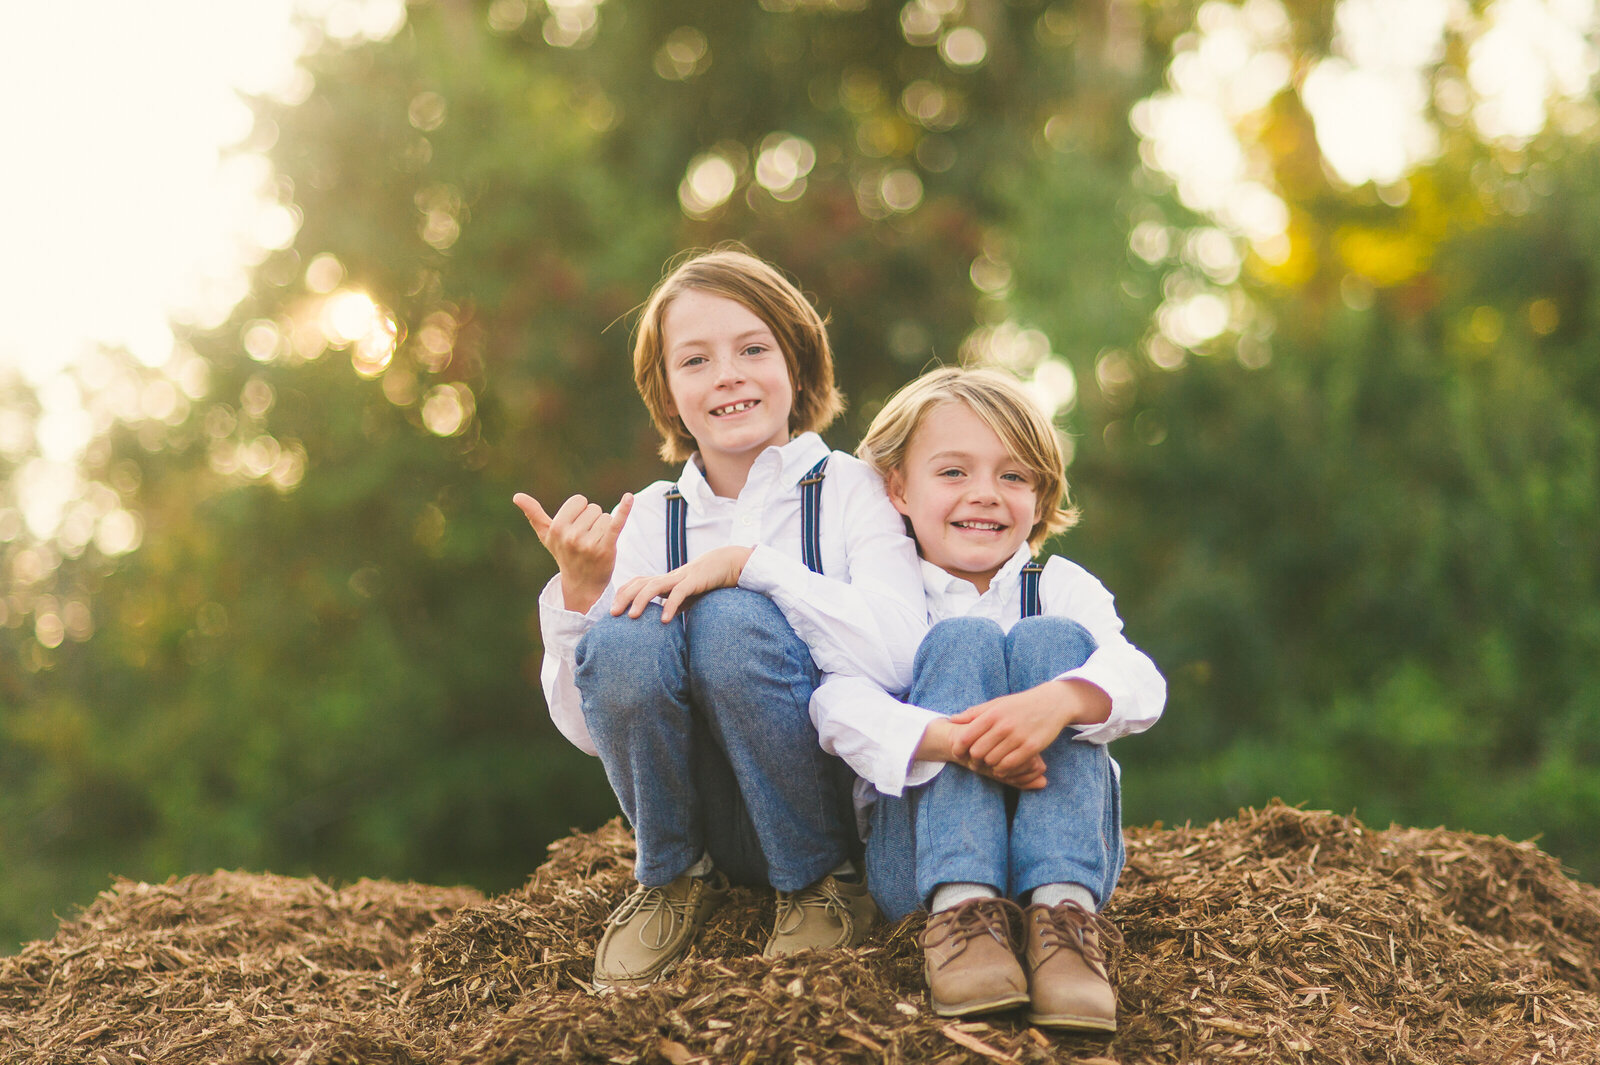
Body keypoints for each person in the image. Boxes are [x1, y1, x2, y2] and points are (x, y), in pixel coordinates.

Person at [514, 247, 925, 989]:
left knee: (733, 622)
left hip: (829, 805)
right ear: (668, 393)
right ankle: (671, 877)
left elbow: (902, 655)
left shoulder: (850, 490)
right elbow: (592, 727)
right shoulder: (650, 519)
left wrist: (752, 566)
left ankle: (819, 883)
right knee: (624, 633)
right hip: (706, 823)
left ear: (796, 366)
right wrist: (582, 592)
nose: (727, 373)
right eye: (696, 360)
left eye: (752, 348)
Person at [810, 366, 1165, 1030]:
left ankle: (1064, 924)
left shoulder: (1060, 584)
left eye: (1013, 475)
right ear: (897, 489)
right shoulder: (881, 594)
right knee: (962, 639)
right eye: (953, 473)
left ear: (1040, 494)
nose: (986, 495)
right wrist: (956, 742)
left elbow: (1141, 679)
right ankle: (963, 915)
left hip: (1063, 854)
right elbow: (835, 707)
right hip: (920, 867)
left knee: (1059, 641)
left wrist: (1059, 701)